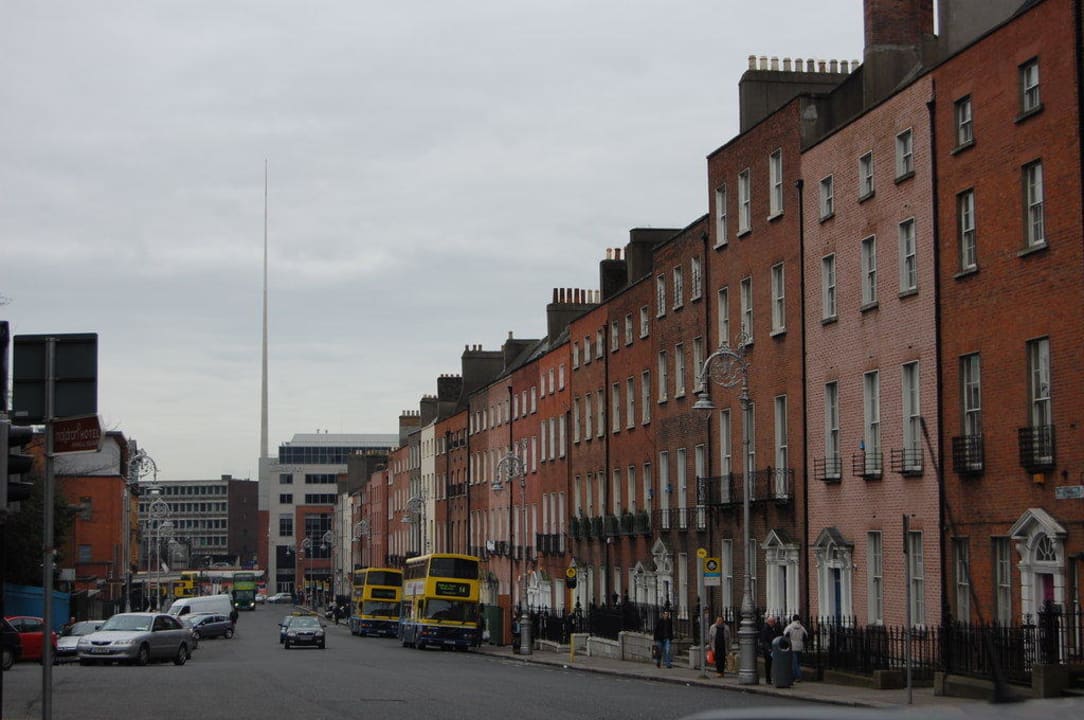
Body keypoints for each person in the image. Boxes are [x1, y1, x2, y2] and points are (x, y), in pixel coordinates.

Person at [783, 614, 808, 682]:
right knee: (798, 663)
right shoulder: (802, 627)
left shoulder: (789, 627)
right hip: (800, 646)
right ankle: (795, 676)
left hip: (792, 646)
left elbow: (785, 636)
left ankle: (797, 676)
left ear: (792, 619)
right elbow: (806, 636)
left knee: (794, 663)